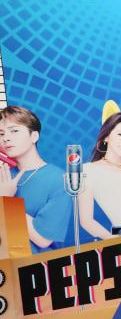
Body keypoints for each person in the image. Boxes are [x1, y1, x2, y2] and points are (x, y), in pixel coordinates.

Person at [0, 106, 71, 253]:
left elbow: (43, 239)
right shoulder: (3, 176)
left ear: (34, 136)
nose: (5, 138)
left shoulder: (59, 180)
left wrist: (7, 201)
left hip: (36, 264)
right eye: (1, 133)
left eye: (14, 131)